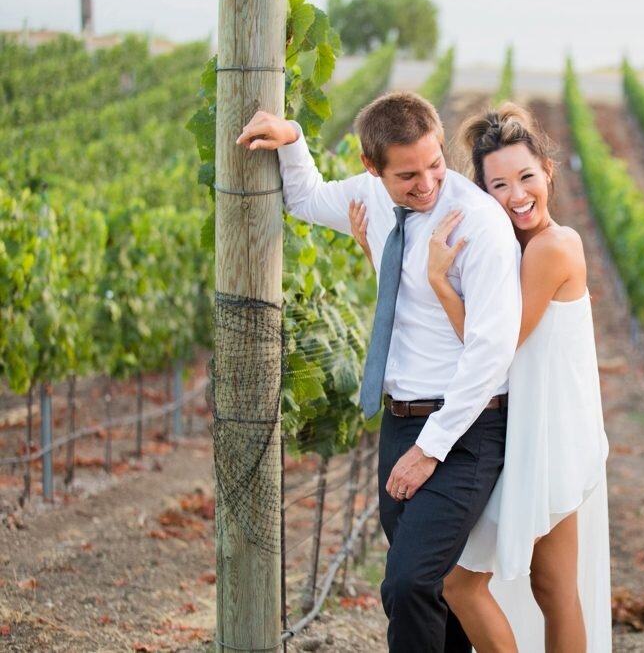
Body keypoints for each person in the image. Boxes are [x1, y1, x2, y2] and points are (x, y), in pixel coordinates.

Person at [236, 92, 522, 653]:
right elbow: (306, 198)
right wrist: (292, 137)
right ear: (373, 167)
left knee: (409, 583)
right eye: (408, 175)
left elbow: (491, 351)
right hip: (399, 422)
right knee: (435, 590)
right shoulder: (370, 196)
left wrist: (432, 448)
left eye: (435, 164)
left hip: (465, 431)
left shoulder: (479, 225)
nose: (427, 184)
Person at [350, 102, 611, 653]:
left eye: (526, 177)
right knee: (539, 584)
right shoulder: (510, 244)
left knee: (497, 583)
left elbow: (492, 347)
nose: (516, 195)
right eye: (498, 185)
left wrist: (442, 284)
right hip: (525, 425)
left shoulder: (550, 247)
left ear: (548, 170)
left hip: (550, 433)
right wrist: (387, 256)